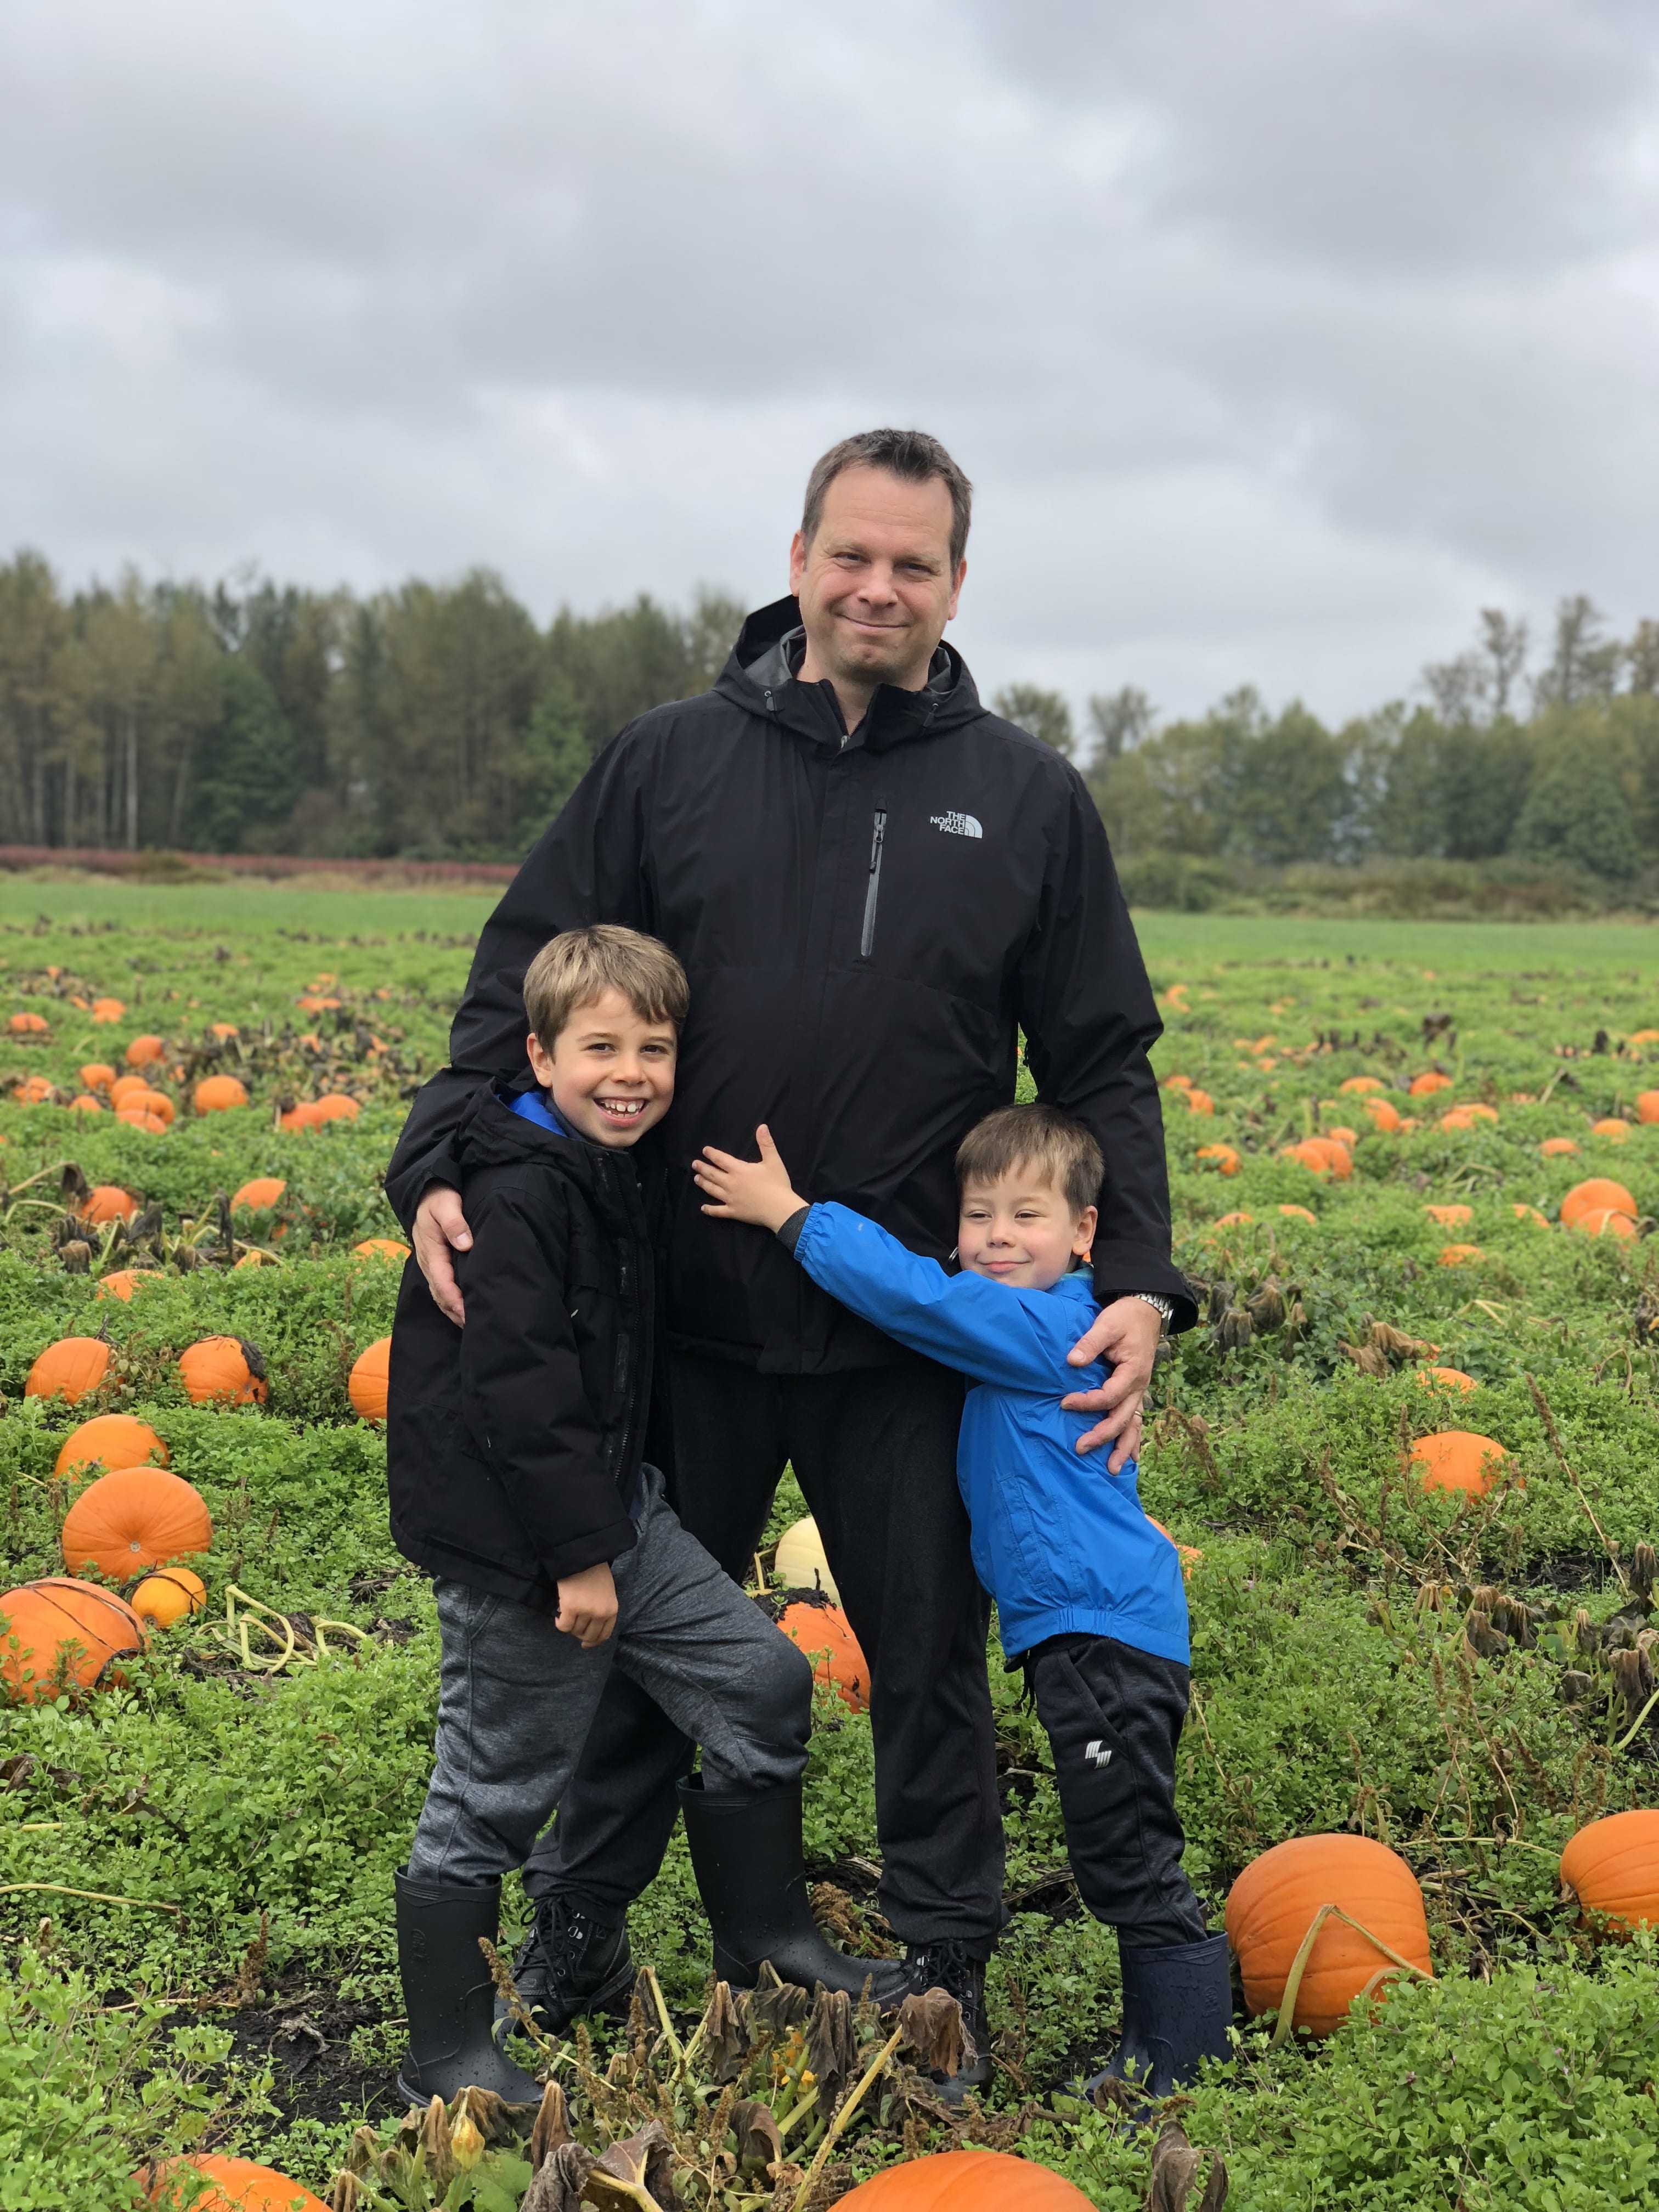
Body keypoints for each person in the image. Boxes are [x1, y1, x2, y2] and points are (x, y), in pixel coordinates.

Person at [385, 426, 1194, 2100]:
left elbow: (1103, 1056)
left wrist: (1141, 1276)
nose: (877, 588)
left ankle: (942, 1956)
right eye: (852, 554)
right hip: (668, 1310)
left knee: (923, 1649)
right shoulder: (669, 762)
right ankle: (579, 1924)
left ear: (957, 584)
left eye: (913, 564)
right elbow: (523, 977)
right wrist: (438, 1158)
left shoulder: (1030, 798)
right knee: (629, 1632)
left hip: (906, 1325)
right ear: (802, 558)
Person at [387, 924, 901, 2107]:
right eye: (600, 1048)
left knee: (765, 1682)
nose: (630, 1073)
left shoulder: (602, 1161)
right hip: (526, 1544)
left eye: (654, 1050)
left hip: (616, 1511)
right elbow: (518, 1399)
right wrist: (577, 1560)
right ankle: (450, 2061)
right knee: (494, 1786)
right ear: (538, 1054)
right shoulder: (510, 1193)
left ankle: (764, 1944)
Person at [692, 1104, 1231, 2100]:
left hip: (1103, 1638)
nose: (994, 1237)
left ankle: (1180, 2064)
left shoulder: (1049, 1326)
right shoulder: (1035, 1325)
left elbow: (916, 1298)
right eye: (979, 1215)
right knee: (1117, 1839)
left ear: (1084, 1236)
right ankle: (1173, 2045)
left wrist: (793, 1216)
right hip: (1084, 1634)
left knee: (1127, 1854)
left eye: (1026, 1217)